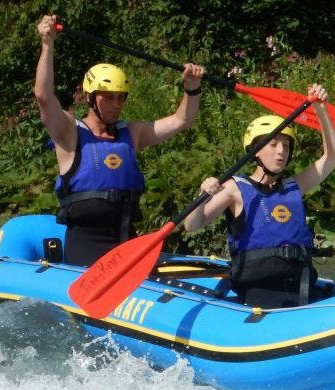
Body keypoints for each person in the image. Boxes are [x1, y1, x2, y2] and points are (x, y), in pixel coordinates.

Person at [33, 14, 206, 266]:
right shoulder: (69, 132)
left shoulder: (133, 134)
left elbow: (181, 121)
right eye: (108, 97)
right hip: (85, 247)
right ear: (91, 98)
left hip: (126, 243)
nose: (116, 105)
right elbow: (43, 95)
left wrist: (192, 88)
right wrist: (47, 44)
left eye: (120, 97)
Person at [184, 84, 335, 308]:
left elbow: (333, 156)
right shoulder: (234, 189)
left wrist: (321, 111)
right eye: (273, 144)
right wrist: (202, 195)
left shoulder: (294, 186)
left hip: (301, 285)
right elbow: (192, 225)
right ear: (255, 151)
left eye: (286, 146)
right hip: (259, 289)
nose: (281, 151)